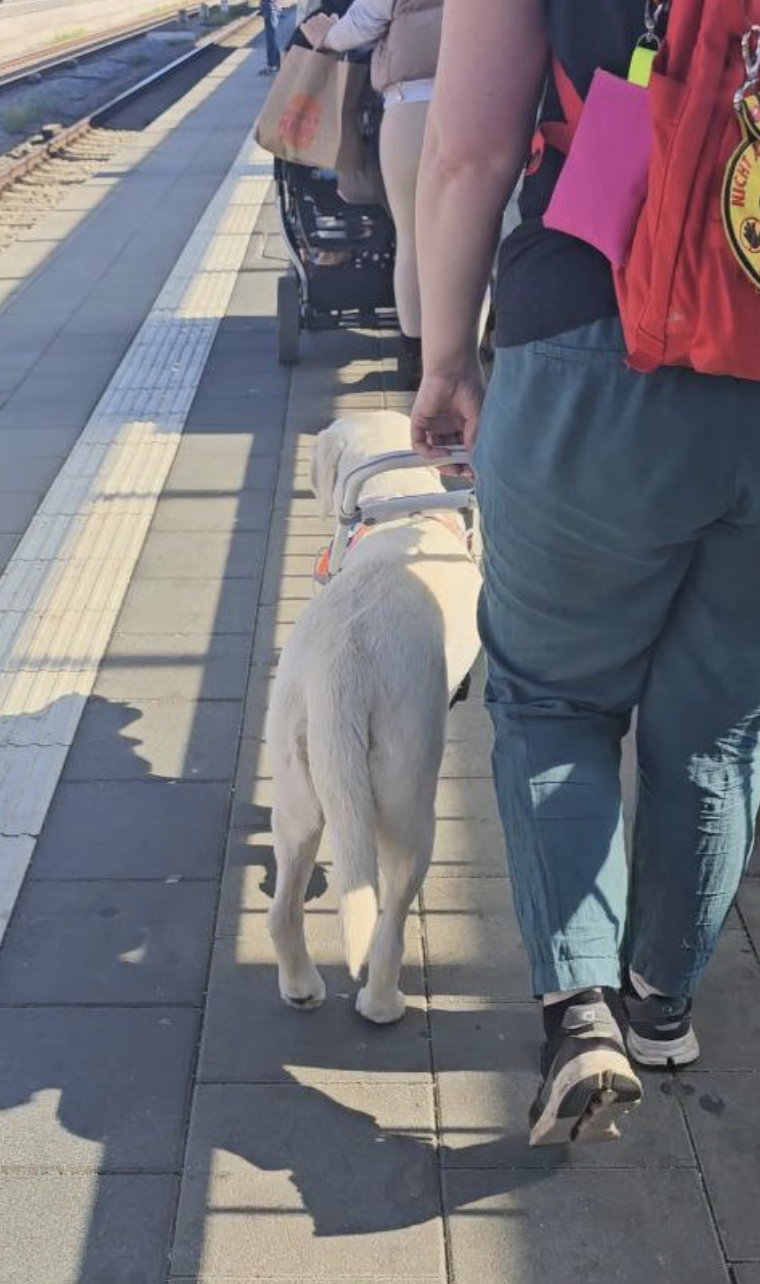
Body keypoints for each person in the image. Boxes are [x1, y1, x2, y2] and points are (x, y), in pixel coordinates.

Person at [411, 0, 760, 1146]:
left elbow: (468, 149)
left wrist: (447, 357)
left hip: (592, 344)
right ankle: (661, 1004)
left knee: (554, 696)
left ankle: (581, 1014)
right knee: (716, 727)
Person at [302, 0, 442, 391]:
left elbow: (359, 26)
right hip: (487, 103)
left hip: (412, 105)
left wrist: (325, 35)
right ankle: (467, 352)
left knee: (413, 240)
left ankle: (418, 360)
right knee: (472, 243)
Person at [260, 0, 283, 74]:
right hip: (271, 8)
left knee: (270, 40)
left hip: (271, 9)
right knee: (272, 39)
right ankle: (277, 63)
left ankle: (272, 65)